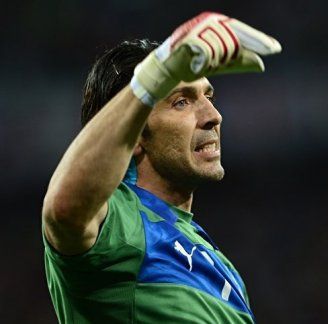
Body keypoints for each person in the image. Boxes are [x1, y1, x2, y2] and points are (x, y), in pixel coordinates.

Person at [42, 12, 281, 323]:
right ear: (135, 135)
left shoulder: (221, 264)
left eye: (208, 96)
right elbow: (64, 210)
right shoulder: (121, 222)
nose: (213, 116)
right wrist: (150, 80)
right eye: (181, 102)